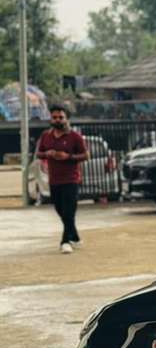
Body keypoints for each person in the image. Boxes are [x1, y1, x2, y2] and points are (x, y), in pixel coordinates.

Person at [35, 105, 88, 253]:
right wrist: (48, 154)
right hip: (54, 180)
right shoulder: (46, 136)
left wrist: (68, 157)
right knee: (60, 210)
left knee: (69, 211)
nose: (58, 120)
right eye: (55, 117)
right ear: (51, 118)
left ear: (66, 119)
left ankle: (65, 241)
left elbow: (85, 155)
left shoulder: (74, 137)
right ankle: (75, 236)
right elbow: (39, 153)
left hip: (71, 179)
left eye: (61, 117)